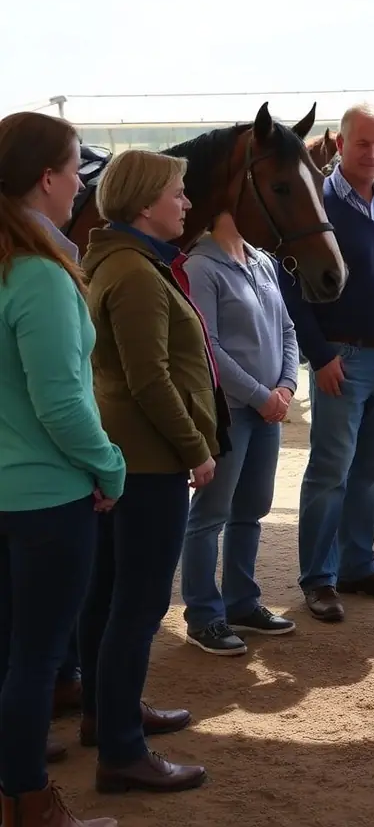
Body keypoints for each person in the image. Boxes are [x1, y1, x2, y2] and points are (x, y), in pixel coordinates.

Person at [78, 149, 230, 794]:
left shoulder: (120, 261)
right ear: (145, 205)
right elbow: (150, 378)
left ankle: (105, 715)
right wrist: (196, 447)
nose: (188, 203)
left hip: (127, 458)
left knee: (108, 597)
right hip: (147, 462)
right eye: (177, 193)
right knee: (138, 605)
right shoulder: (137, 274)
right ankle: (122, 750)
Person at [0, 112, 125, 827]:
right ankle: (30, 803)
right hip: (47, 498)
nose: (80, 182)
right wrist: (109, 466)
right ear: (45, 179)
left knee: (9, 657)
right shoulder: (40, 275)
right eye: (75, 167)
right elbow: (61, 403)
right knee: (36, 662)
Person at [279, 102, 374, 623]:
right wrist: (319, 355)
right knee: (330, 470)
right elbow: (291, 286)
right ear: (339, 145)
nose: (372, 153)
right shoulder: (315, 203)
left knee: (371, 468)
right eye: (362, 143)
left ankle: (358, 566)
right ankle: (319, 578)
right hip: (341, 358)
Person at [181, 211, 299, 655]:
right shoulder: (200, 267)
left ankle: (242, 601)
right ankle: (202, 615)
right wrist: (259, 395)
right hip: (231, 412)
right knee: (210, 514)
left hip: (269, 409)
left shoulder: (262, 261)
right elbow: (206, 346)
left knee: (251, 508)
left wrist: (286, 386)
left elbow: (287, 328)